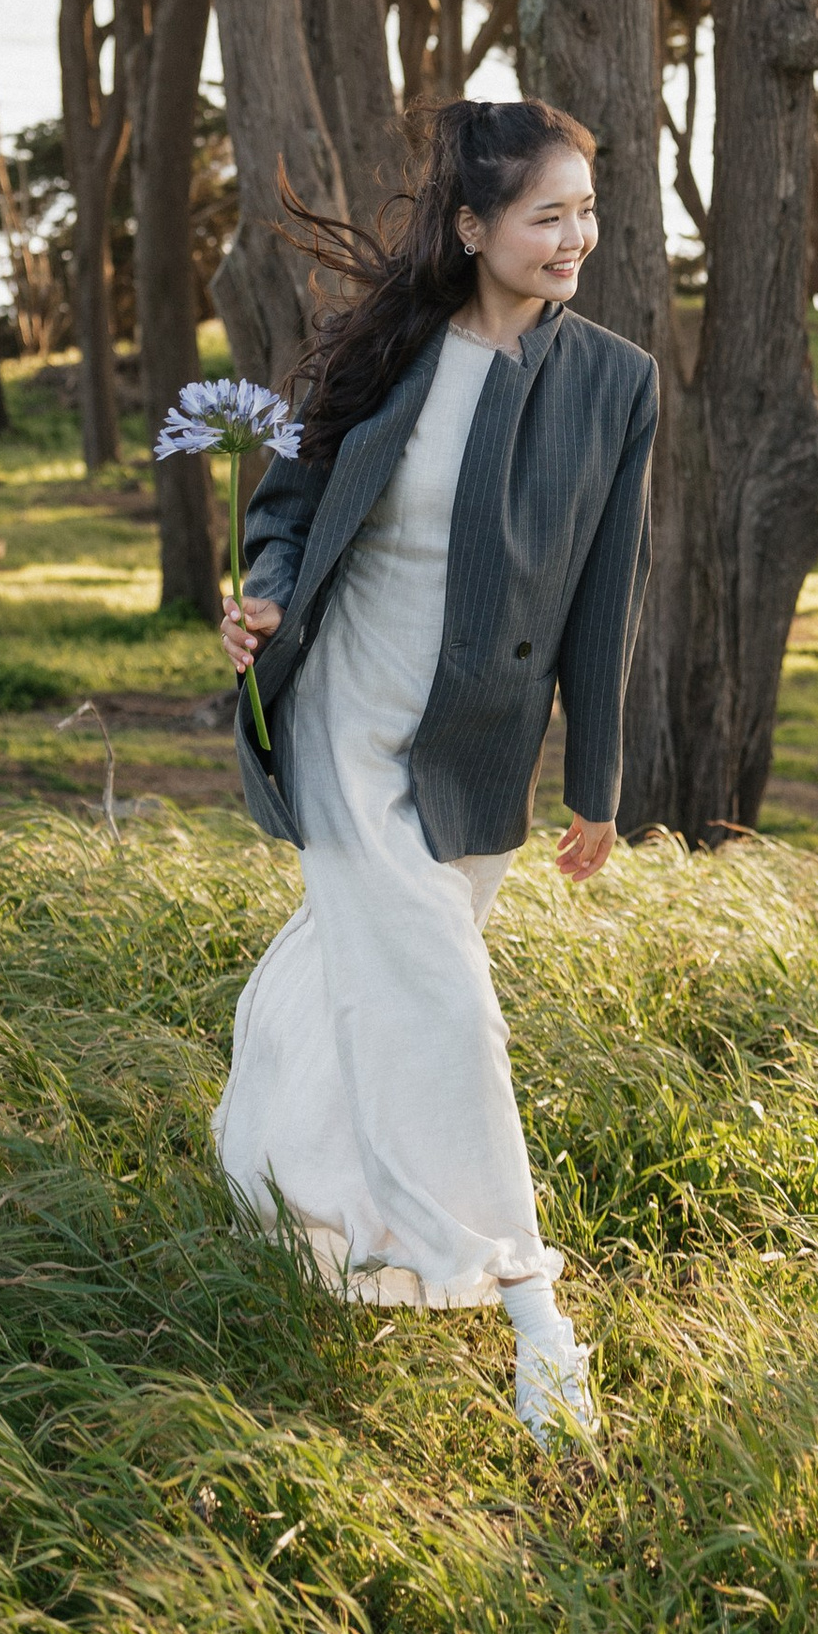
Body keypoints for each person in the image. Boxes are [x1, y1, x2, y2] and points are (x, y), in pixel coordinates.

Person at [212, 96, 658, 1444]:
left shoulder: (616, 381)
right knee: (445, 1007)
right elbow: (284, 514)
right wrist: (261, 600)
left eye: (588, 211)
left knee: (374, 981)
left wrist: (600, 774)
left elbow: (606, 588)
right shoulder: (384, 348)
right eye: (547, 215)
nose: (577, 236)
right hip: (345, 709)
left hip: (474, 745)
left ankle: (278, 1185)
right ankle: (536, 1318)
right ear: (473, 228)